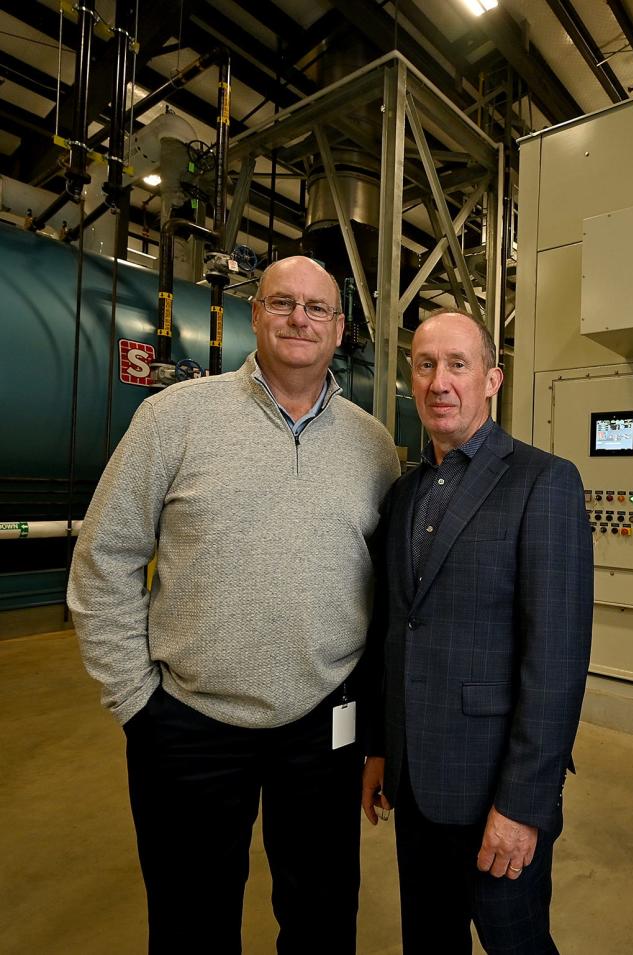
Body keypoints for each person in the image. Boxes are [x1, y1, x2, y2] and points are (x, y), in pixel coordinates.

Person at [68, 255, 400, 954]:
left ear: (339, 330)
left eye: (317, 308)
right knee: (191, 921)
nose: (299, 319)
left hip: (322, 729)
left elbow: (387, 591)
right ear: (255, 314)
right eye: (283, 303)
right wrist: (136, 700)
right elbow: (106, 558)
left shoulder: (373, 445)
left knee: (322, 918)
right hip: (188, 725)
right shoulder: (172, 418)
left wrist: (371, 722)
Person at [361, 309, 593, 954]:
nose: (441, 382)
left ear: (492, 379)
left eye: (458, 365)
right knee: (428, 942)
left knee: (515, 942)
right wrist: (380, 748)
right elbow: (395, 630)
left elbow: (558, 661)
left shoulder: (542, 482)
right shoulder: (404, 493)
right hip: (415, 782)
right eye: (426, 365)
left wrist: (523, 805)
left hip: (494, 787)